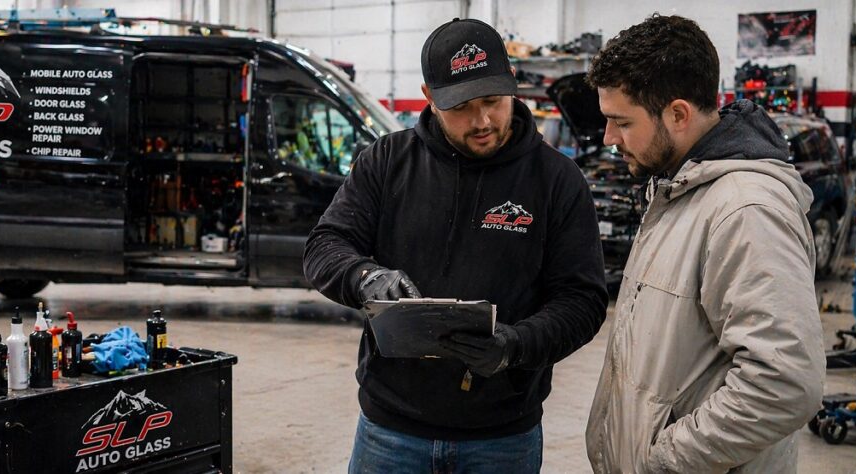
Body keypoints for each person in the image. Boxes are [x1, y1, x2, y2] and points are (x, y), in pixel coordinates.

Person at [304, 18, 608, 473]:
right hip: (391, 433)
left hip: (502, 439)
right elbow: (325, 246)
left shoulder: (557, 181)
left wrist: (515, 345)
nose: (483, 120)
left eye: (493, 100)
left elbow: (582, 299)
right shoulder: (387, 163)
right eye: (463, 107)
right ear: (430, 97)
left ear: (512, 85)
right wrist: (367, 278)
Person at [583, 14, 826, 473]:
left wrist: (664, 461)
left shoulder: (745, 209)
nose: (610, 139)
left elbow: (784, 382)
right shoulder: (677, 187)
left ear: (677, 114)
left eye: (621, 122)